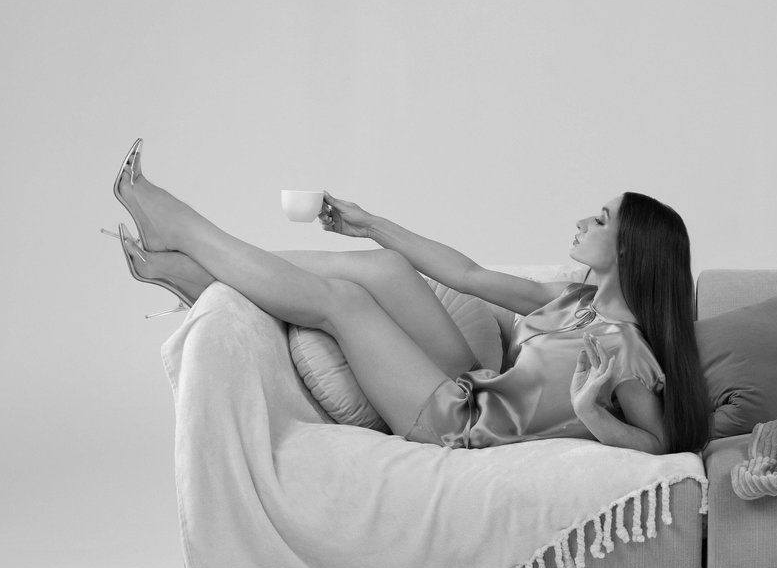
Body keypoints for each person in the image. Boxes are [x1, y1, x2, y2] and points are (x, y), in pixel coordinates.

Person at [106, 139, 710, 455]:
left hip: (459, 426)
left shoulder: (623, 349)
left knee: (344, 303)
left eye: (600, 220)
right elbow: (467, 274)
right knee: (389, 268)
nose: (582, 221)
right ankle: (202, 271)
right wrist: (370, 223)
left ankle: (185, 235)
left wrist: (592, 412)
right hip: (474, 385)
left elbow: (660, 446)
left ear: (629, 251)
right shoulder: (575, 299)